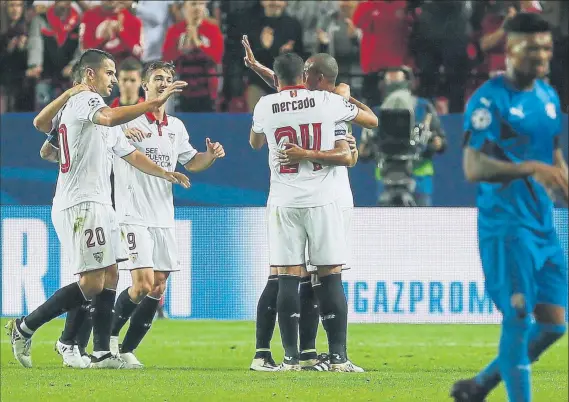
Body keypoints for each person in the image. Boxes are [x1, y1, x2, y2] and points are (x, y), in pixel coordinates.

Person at [6, 48, 190, 369]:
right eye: (109, 73)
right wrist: (152, 104)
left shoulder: (84, 107)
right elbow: (103, 118)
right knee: (91, 282)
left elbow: (125, 153)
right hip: (82, 202)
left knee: (111, 275)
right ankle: (25, 327)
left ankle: (102, 352)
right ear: (90, 74)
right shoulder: (88, 101)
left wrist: (165, 172)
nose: (114, 80)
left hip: (101, 202)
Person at [451, 13, 568, 402]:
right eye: (532, 46)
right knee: (517, 315)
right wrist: (531, 169)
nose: (541, 55)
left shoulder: (548, 97)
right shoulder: (489, 99)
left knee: (553, 325)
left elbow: (552, 154)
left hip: (542, 225)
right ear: (509, 48)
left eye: (546, 47)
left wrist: (562, 183)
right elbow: (473, 166)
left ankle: (479, 386)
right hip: (505, 226)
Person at [242, 38, 367, 372]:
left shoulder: (265, 105)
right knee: (329, 275)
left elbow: (254, 142)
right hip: (323, 200)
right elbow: (371, 120)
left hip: (283, 201)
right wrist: (344, 96)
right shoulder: (326, 101)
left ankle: (291, 358)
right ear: (307, 75)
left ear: (277, 78)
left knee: (286, 276)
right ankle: (338, 357)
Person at [109, 61, 225, 368]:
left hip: (163, 215)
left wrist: (209, 157)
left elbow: (192, 163)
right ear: (145, 86)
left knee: (159, 285)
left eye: (168, 78)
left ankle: (126, 349)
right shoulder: (127, 121)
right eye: (158, 78)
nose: (164, 82)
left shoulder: (176, 128)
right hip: (133, 213)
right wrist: (124, 130)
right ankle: (104, 341)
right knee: (143, 284)